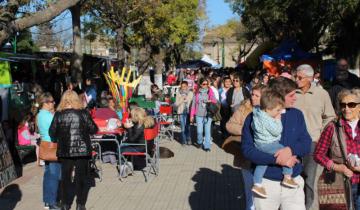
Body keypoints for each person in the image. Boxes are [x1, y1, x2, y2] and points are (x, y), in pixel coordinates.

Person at [242, 77, 312, 210]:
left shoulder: (297, 115)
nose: (295, 98)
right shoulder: (254, 118)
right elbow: (247, 150)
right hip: (265, 183)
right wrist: (276, 159)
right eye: (291, 95)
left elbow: (306, 143)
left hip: (293, 181)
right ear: (278, 96)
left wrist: (290, 150)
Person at [294, 64, 336, 210]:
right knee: (294, 177)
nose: (297, 79)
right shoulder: (292, 93)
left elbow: (330, 116)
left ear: (310, 78)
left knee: (310, 179)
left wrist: (321, 135)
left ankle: (309, 206)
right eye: (296, 76)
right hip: (294, 143)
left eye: (300, 77)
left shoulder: (321, 94)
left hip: (313, 142)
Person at [49, 90, 98, 210]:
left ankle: (66, 204)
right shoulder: (83, 113)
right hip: (82, 150)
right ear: (77, 99)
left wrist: (57, 139)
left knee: (65, 178)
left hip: (65, 150)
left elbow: (52, 132)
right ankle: (80, 204)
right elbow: (93, 129)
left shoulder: (59, 114)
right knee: (81, 178)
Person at [314, 88, 360, 210]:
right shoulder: (332, 127)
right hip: (342, 182)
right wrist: (338, 167)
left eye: (351, 105)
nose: (347, 109)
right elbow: (318, 154)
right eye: (343, 105)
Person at [223, 84, 265, 210]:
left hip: (264, 155)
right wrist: (247, 130)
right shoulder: (244, 107)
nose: (253, 97)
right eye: (252, 94)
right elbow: (229, 125)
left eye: (257, 95)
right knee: (249, 188)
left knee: (261, 188)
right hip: (246, 154)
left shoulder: (270, 109)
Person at [251, 90, 298, 198]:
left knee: (262, 163)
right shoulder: (268, 119)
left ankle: (257, 184)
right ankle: (287, 177)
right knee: (285, 152)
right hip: (268, 144)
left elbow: (254, 126)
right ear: (268, 109)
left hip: (259, 144)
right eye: (277, 110)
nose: (278, 112)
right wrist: (277, 120)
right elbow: (277, 131)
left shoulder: (257, 113)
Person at [36, 92, 60, 210]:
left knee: (48, 174)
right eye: (52, 101)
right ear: (45, 103)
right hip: (52, 146)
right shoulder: (47, 116)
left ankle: (47, 200)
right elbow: (56, 130)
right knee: (54, 175)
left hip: (45, 146)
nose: (53, 103)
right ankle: (52, 202)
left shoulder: (40, 115)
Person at [190, 78, 217, 151]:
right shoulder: (197, 93)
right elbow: (193, 105)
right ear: (200, 85)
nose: (205, 86)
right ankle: (199, 142)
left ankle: (207, 146)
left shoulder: (210, 91)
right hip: (198, 114)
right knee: (199, 131)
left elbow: (215, 100)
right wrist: (191, 116)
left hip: (208, 114)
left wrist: (210, 100)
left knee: (207, 131)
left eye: (207, 84)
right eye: (204, 84)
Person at [175, 81, 194, 145]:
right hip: (181, 112)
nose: (183, 88)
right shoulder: (178, 93)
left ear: (187, 86)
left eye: (184, 86)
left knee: (187, 126)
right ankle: (183, 140)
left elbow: (192, 103)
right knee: (182, 127)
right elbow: (176, 104)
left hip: (188, 112)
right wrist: (181, 98)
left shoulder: (191, 93)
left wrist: (187, 99)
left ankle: (188, 138)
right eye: (182, 86)